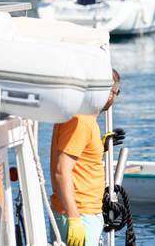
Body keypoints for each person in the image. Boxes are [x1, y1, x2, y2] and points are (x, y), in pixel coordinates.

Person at [50, 69, 124, 246]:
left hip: (85, 212)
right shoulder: (81, 121)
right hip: (79, 214)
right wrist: (74, 218)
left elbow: (76, 158)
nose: (114, 97)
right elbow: (62, 170)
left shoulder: (83, 118)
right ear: (106, 93)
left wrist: (99, 147)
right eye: (115, 92)